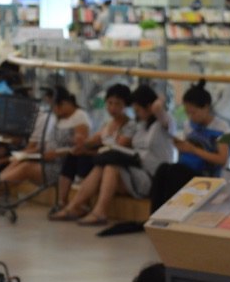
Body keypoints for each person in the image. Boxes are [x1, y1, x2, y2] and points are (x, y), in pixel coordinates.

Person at [50, 85, 173, 227]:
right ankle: (73, 207)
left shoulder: (163, 125)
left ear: (149, 107)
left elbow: (158, 107)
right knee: (103, 165)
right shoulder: (141, 126)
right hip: (136, 170)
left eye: (138, 109)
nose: (137, 113)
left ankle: (99, 211)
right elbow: (93, 141)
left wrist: (158, 99)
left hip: (152, 178)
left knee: (111, 166)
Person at [0, 87, 90, 198]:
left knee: (26, 168)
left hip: (60, 166)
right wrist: (35, 152)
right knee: (20, 161)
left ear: (64, 103)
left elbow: (79, 149)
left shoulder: (80, 117)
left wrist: (56, 153)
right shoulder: (59, 117)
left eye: (52, 105)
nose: (51, 109)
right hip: (46, 158)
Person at [148, 80, 230, 211]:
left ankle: (171, 214)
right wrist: (181, 147)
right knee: (163, 169)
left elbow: (222, 159)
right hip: (188, 168)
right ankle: (155, 215)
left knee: (175, 173)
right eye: (188, 113)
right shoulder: (189, 125)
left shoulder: (221, 127)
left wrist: (193, 150)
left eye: (194, 112)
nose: (191, 116)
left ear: (206, 107)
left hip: (208, 174)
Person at [56, 84, 137, 211]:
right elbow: (92, 141)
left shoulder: (130, 125)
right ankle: (62, 201)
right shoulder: (108, 124)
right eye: (110, 103)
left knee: (84, 158)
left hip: (116, 162)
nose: (112, 108)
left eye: (117, 104)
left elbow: (117, 149)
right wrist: (81, 142)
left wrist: (88, 150)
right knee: (73, 155)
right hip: (102, 156)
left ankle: (82, 204)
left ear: (125, 105)